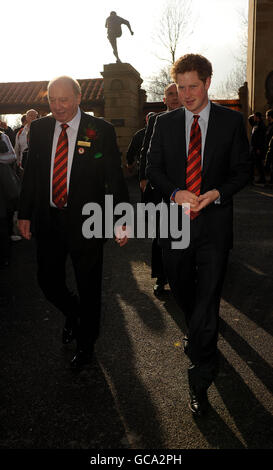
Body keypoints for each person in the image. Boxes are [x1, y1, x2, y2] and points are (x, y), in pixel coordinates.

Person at [146, 54, 250, 416]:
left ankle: (200, 378)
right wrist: (175, 193)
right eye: (181, 87)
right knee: (187, 297)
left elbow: (242, 171)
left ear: (208, 82)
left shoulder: (232, 122)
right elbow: (153, 169)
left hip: (214, 229)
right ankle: (199, 331)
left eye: (193, 86)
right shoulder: (165, 123)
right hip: (174, 226)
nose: (186, 94)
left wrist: (217, 192)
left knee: (206, 305)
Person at [18, 76, 129, 370]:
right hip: (49, 220)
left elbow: (113, 177)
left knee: (89, 285)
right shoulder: (39, 129)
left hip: (88, 222)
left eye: (63, 99)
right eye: (52, 100)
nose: (57, 106)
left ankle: (86, 342)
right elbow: (32, 174)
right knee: (48, 281)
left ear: (78, 98)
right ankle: (74, 314)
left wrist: (122, 218)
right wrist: (24, 213)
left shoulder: (99, 130)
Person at [139, 83, 181, 296]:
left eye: (177, 93)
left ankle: (185, 275)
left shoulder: (194, 120)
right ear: (164, 99)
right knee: (161, 235)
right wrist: (143, 178)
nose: (174, 98)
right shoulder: (156, 120)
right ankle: (162, 277)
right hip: (159, 187)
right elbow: (145, 150)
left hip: (186, 189)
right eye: (170, 94)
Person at [0, 131, 17, 267]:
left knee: (2, 220)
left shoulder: (2, 136)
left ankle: (4, 256)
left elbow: (12, 156)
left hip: (2, 184)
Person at [250, 112, 266, 184]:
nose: (253, 118)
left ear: (257, 117)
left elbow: (261, 138)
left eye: (255, 116)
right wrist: (252, 116)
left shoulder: (261, 125)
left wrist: (259, 148)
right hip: (254, 146)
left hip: (258, 147)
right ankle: (253, 177)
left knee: (259, 163)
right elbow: (249, 119)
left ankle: (262, 178)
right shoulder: (255, 124)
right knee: (254, 163)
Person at [265, 109, 273, 184]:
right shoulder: (269, 125)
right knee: (268, 164)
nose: (266, 117)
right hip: (268, 147)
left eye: (267, 116)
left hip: (271, 148)